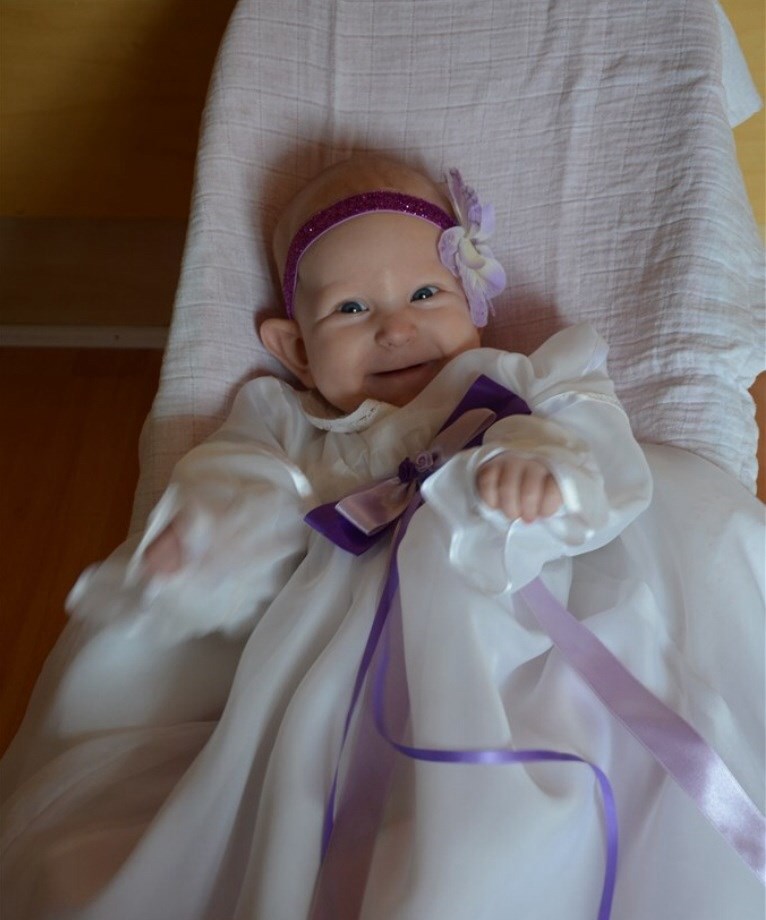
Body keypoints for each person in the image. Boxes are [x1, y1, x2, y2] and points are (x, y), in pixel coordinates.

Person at [1, 156, 762, 920]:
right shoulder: (289, 424)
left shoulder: (514, 383)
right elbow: (241, 481)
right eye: (352, 309)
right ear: (295, 348)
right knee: (308, 810)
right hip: (335, 663)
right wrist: (205, 540)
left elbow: (590, 426)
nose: (395, 328)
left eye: (426, 294)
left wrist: (539, 466)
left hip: (518, 633)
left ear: (474, 301)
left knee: (531, 816)